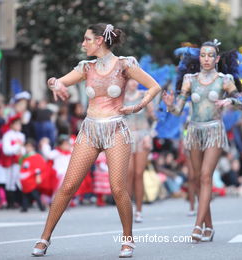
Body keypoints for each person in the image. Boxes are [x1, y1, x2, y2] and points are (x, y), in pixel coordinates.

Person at [32, 23, 161, 258]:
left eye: (87, 39)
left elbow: (154, 86)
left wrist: (135, 107)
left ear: (99, 40)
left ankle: (127, 240)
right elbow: (57, 80)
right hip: (90, 130)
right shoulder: (86, 67)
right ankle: (44, 238)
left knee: (118, 188)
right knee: (68, 186)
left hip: (116, 131)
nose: (83, 44)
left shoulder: (125, 65)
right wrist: (54, 83)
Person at [163, 40, 242, 243]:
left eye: (210, 56)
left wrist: (230, 100)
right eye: (203, 55)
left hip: (214, 131)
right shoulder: (189, 80)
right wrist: (170, 105)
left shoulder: (225, 80)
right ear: (199, 58)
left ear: (217, 59)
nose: (206, 59)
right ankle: (209, 226)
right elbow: (178, 110)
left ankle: (198, 226)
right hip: (194, 131)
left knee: (206, 176)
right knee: (198, 179)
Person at [124, 79, 156, 223]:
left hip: (143, 136)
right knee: (129, 173)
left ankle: (139, 210)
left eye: (136, 80)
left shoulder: (144, 95)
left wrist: (150, 134)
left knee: (139, 173)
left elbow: (155, 117)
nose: (134, 83)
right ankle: (127, 210)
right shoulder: (119, 97)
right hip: (127, 137)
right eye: (130, 80)